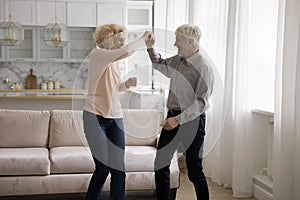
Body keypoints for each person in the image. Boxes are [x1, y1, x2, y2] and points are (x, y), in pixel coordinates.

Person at [146, 24, 214, 200]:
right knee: (161, 164)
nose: (175, 44)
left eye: (178, 40)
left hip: (192, 121)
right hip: (173, 116)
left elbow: (202, 103)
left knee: (194, 170)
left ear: (191, 42)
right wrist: (150, 48)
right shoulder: (178, 60)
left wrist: (177, 120)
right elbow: (160, 65)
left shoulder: (203, 67)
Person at [83, 23, 150, 200]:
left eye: (123, 40)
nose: (122, 43)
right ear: (109, 40)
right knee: (103, 167)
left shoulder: (114, 63)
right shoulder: (98, 55)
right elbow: (126, 51)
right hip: (95, 117)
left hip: (115, 117)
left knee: (119, 168)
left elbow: (112, 87)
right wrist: (142, 39)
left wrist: (126, 85)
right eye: (120, 40)